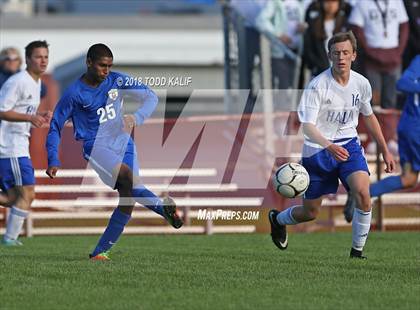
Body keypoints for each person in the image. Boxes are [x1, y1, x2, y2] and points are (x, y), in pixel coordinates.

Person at [45, 43, 183, 261]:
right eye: (102, 66)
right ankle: (161, 207)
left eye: (109, 66)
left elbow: (150, 96)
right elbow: (55, 125)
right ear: (89, 62)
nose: (106, 71)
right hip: (97, 147)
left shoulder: (116, 80)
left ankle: (100, 252)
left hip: (124, 142)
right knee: (128, 178)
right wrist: (53, 158)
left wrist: (137, 117)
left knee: (130, 194)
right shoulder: (74, 94)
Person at [268, 31, 395, 259]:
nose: (341, 57)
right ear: (329, 56)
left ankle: (356, 253)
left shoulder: (361, 84)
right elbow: (307, 127)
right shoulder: (317, 86)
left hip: (349, 146)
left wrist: (385, 150)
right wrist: (329, 146)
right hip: (318, 152)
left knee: (364, 194)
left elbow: (369, 116)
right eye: (336, 53)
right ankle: (277, 219)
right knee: (311, 212)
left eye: (346, 52)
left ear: (354, 55)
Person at [343, 55, 420, 222]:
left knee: (409, 179)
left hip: (409, 127)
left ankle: (362, 193)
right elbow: (402, 83)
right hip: (415, 128)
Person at [0, 40, 51, 246]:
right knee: (28, 194)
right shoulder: (17, 81)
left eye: (46, 57)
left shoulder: (36, 82)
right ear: (28, 59)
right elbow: (2, 110)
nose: (43, 61)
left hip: (18, 146)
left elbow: (21, 109)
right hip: (11, 147)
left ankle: (10, 239)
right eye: (38, 57)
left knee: (13, 198)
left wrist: (38, 114)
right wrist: (30, 119)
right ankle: (10, 239)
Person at [256, 0, 306, 89]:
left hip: (297, 51)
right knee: (283, 87)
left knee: (296, 86)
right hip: (281, 52)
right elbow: (260, 21)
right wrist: (278, 35)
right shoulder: (274, 3)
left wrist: (304, 27)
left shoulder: (299, 3)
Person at [303, 0, 351, 77]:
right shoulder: (313, 23)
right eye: (327, 1)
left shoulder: (345, 24)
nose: (331, 5)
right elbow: (308, 49)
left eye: (334, 2)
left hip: (341, 74)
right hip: (319, 74)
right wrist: (316, 66)